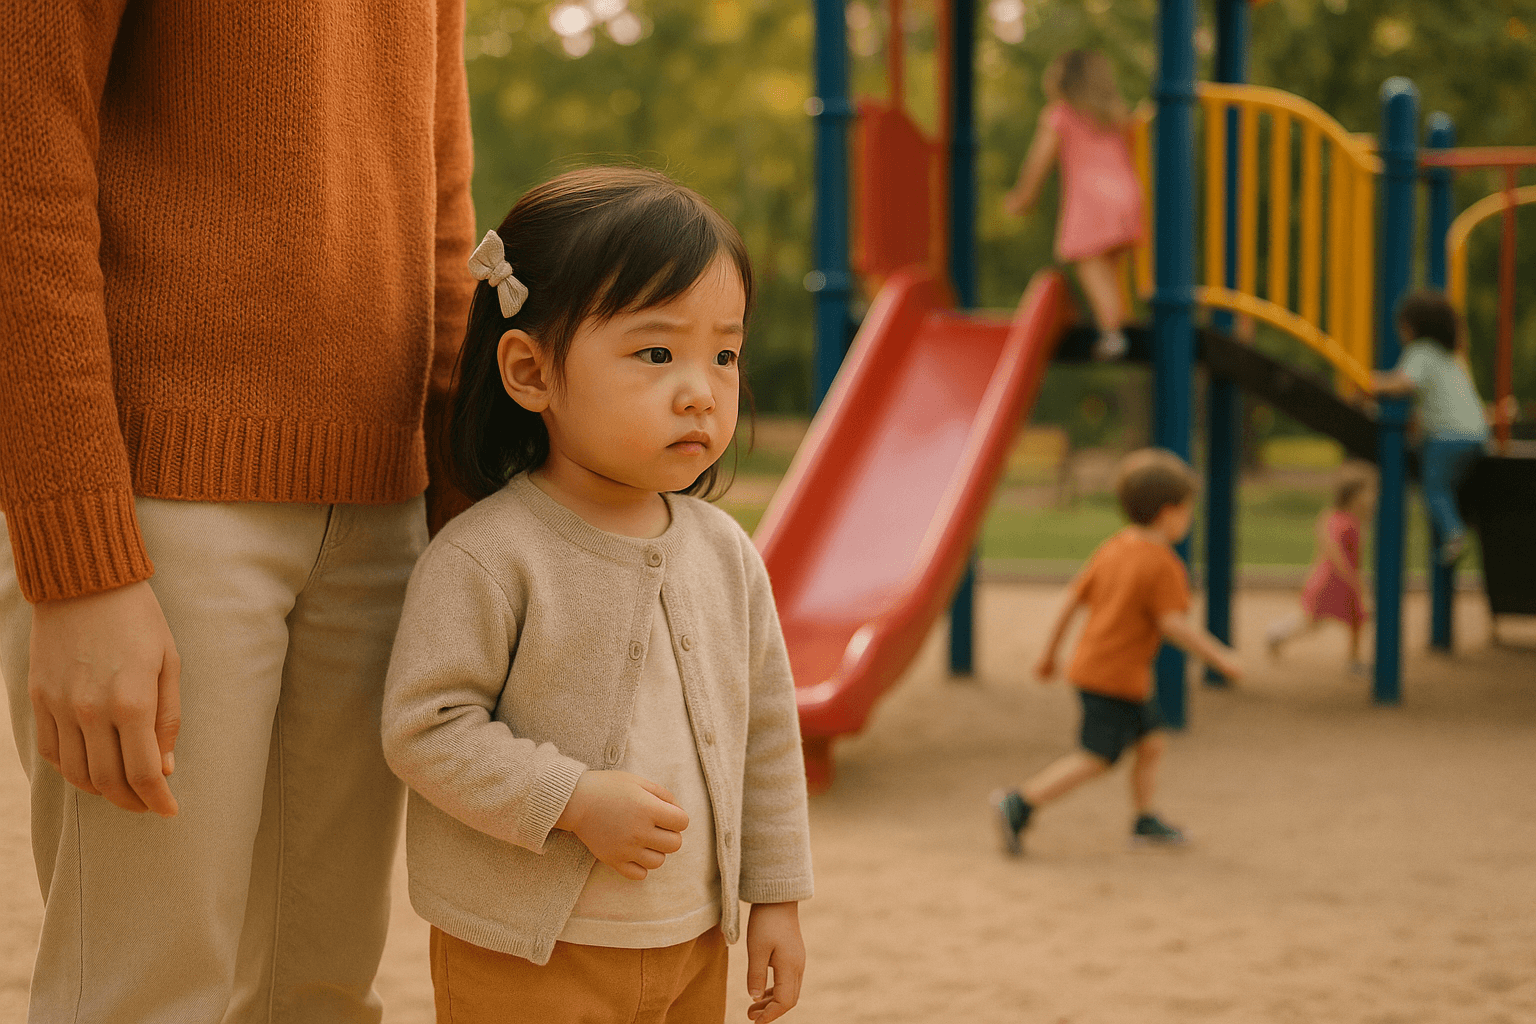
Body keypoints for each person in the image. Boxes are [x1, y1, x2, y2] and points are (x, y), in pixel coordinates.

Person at [0, 4, 474, 1022]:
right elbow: (17, 167)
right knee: (139, 999)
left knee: (321, 996)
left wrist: (465, 503)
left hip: (385, 504)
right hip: (159, 509)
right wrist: (81, 564)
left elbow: (440, 193)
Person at [381, 167, 814, 1024]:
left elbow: (766, 733)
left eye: (724, 353)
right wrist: (572, 799)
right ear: (530, 371)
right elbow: (425, 728)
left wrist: (776, 897)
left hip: (692, 943)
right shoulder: (490, 555)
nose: (701, 388)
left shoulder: (725, 553)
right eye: (657, 352)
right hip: (523, 951)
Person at [991, 449, 1242, 856]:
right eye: (1188, 511)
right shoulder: (1162, 565)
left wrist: (1050, 654)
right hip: (1114, 678)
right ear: (1167, 513)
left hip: (1101, 670)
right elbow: (1173, 625)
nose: (1190, 520)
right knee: (1096, 758)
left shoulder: (1113, 548)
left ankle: (1145, 820)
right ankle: (1020, 802)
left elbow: (1073, 600)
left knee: (1151, 742)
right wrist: (1221, 658)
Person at [1004, 48, 1145, 361]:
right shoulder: (1116, 114)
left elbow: (1039, 161)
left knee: (1088, 263)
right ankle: (1124, 320)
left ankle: (1113, 333)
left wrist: (1023, 197)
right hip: (1127, 193)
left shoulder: (1061, 114)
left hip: (1091, 198)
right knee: (1108, 263)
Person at [1371, 290, 1490, 566]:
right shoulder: (1452, 357)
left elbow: (1403, 384)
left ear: (1412, 327)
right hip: (1476, 435)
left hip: (1448, 436)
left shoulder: (1421, 352)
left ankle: (1454, 533)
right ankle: (1458, 522)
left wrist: (1370, 383)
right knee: (1449, 485)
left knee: (1434, 488)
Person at [1265, 463, 1377, 673]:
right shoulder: (1336, 518)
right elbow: (1332, 551)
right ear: (1352, 494)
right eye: (1368, 491)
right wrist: (1353, 579)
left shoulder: (1355, 519)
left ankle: (1354, 661)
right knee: (1313, 621)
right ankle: (1277, 633)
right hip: (1332, 581)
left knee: (1356, 620)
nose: (1373, 497)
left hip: (1345, 580)